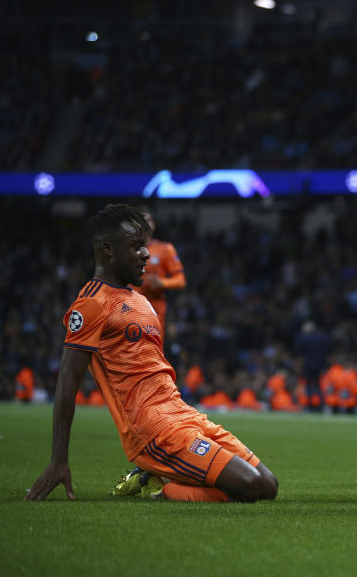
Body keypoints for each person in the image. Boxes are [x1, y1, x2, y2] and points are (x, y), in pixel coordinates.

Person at [26, 204, 277, 503]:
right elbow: (67, 382)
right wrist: (58, 460)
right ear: (108, 250)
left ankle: (160, 479)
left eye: (145, 246)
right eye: (136, 247)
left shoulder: (142, 302)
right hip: (152, 429)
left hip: (183, 413)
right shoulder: (91, 304)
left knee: (268, 485)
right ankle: (159, 487)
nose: (146, 254)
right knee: (249, 486)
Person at [132, 208, 185, 338]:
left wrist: (162, 282)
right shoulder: (125, 250)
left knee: (151, 353)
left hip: (155, 310)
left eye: (147, 221)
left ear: (153, 225)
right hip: (130, 309)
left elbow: (180, 280)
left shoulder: (165, 249)